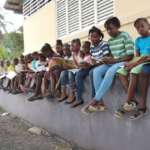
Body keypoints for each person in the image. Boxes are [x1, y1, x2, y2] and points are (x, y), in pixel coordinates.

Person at [87, 17, 134, 112]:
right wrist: (107, 59)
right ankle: (101, 102)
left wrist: (113, 61)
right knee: (96, 71)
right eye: (107, 29)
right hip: (115, 62)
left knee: (110, 71)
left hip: (125, 61)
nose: (109, 31)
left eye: (111, 28)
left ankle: (95, 99)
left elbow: (130, 56)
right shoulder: (110, 41)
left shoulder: (125, 36)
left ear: (118, 27)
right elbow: (112, 56)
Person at [115, 18, 150, 119]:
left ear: (148, 26)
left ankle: (128, 102)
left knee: (134, 72)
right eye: (137, 28)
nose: (140, 29)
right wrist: (130, 63)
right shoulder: (138, 40)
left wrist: (134, 65)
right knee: (121, 72)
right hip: (140, 61)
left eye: (142, 26)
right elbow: (137, 55)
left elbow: (146, 57)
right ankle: (133, 100)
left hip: (147, 61)